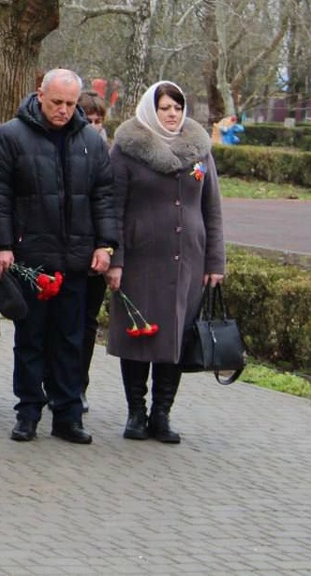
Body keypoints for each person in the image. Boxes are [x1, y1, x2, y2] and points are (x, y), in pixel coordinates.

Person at [0, 68, 117, 445]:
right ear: (40, 94)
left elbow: (103, 197)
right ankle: (28, 412)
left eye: (71, 104)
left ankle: (68, 414)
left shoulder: (90, 141)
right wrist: (3, 245)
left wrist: (105, 244)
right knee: (31, 338)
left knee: (70, 341)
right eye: (57, 102)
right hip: (30, 257)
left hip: (76, 258)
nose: (63, 110)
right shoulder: (11, 136)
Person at [105, 81, 224, 444]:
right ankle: (136, 413)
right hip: (141, 261)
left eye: (177, 107)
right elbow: (113, 209)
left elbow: (212, 209)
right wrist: (115, 259)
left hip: (188, 260)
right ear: (150, 110)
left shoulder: (199, 150)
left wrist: (215, 262)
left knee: (176, 336)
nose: (172, 114)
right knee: (139, 336)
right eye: (165, 108)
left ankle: (162, 414)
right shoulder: (127, 150)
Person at [77, 88, 109, 412]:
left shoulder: (108, 154)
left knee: (87, 322)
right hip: (69, 249)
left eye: (99, 121)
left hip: (97, 251)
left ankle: (79, 383)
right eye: (89, 120)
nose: (95, 126)